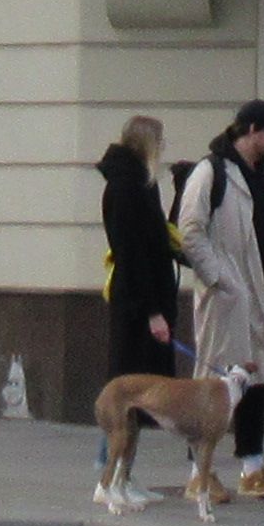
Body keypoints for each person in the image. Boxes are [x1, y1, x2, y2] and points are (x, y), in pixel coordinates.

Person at [172, 103, 264, 500]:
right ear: (252, 129)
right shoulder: (211, 173)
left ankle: (253, 468)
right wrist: (222, 280)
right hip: (229, 297)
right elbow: (190, 232)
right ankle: (199, 472)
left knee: (255, 380)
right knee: (213, 386)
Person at [96, 117, 180, 395]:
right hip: (139, 304)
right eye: (160, 142)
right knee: (133, 392)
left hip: (144, 298)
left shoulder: (138, 182)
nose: (163, 148)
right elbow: (133, 253)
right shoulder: (127, 187)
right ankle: (115, 440)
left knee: (139, 391)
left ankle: (119, 438)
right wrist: (152, 312)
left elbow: (154, 238)